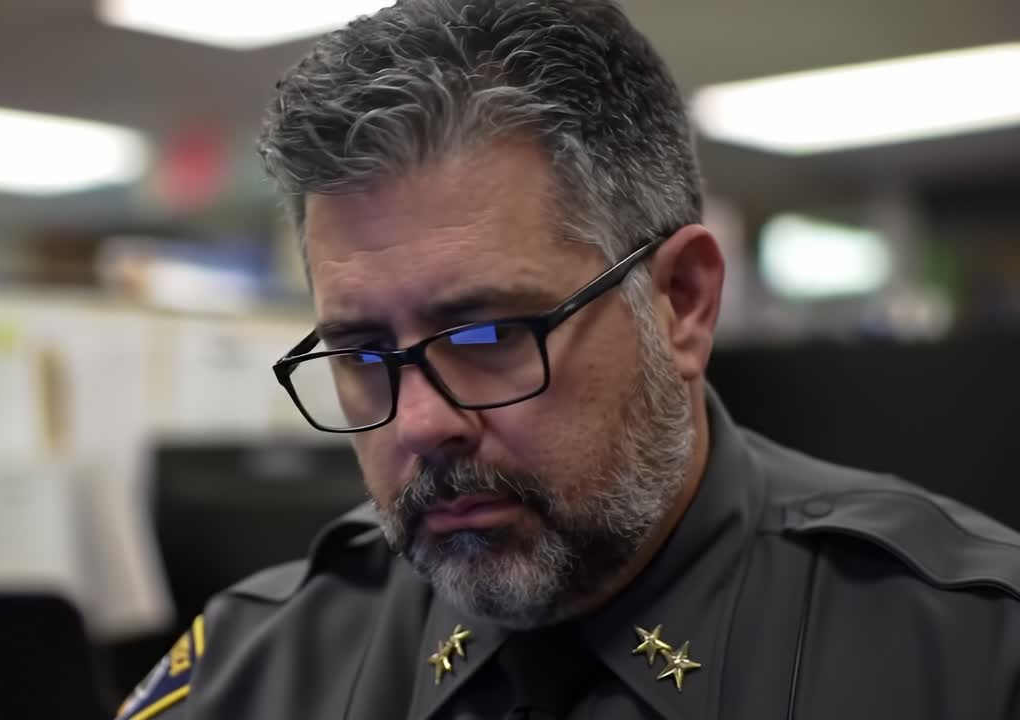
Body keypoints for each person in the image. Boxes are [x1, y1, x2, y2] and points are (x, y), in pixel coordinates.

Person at [115, 1, 1020, 718]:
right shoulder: (255, 670)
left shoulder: (974, 653)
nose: (421, 423)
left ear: (682, 302)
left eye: (488, 337)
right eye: (361, 353)